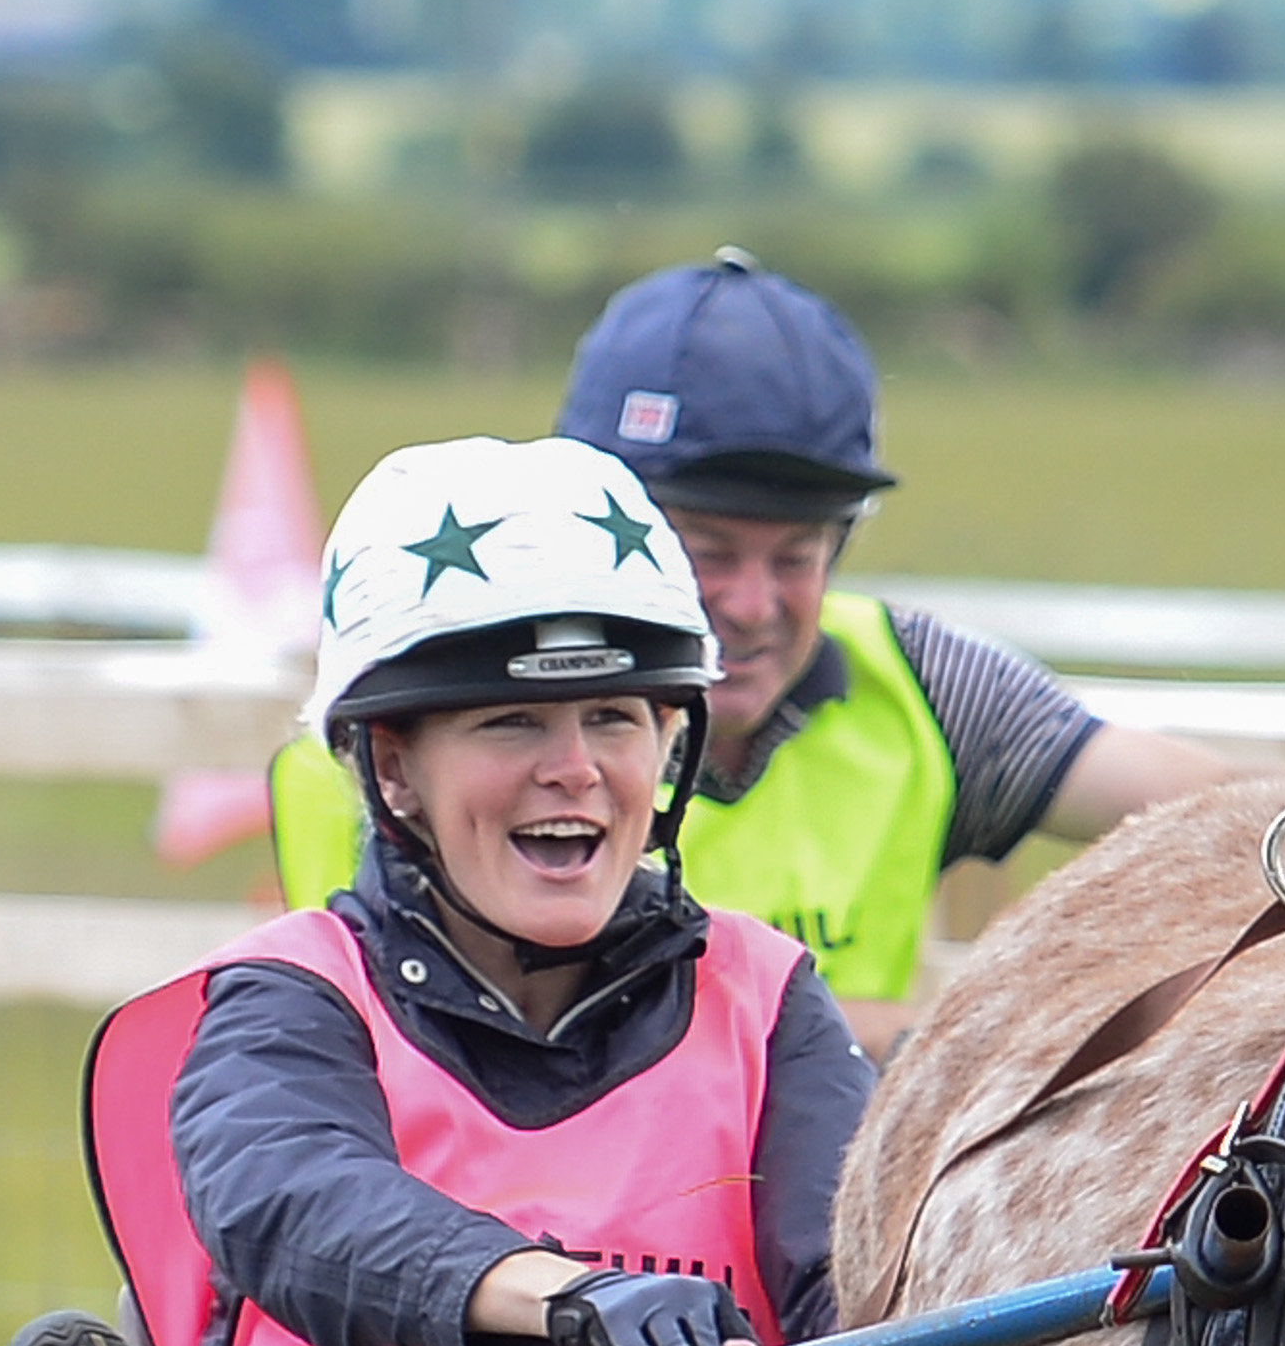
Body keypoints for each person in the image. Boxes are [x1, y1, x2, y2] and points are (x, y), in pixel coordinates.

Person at [0, 429, 864, 1346]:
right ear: (393, 767)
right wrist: (573, 1302)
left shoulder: (769, 1001)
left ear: (672, 747)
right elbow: (296, 1205)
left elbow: (863, 1273)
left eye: (619, 722)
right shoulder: (291, 998)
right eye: (511, 725)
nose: (575, 773)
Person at [269, 250, 1228, 1039]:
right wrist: (905, 1034)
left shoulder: (919, 685)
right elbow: (471, 1051)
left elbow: (1211, 809)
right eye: (704, 552)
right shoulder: (379, 748)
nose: (751, 604)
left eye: (799, 556)